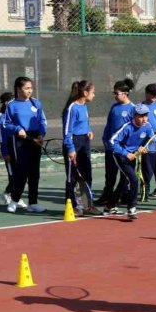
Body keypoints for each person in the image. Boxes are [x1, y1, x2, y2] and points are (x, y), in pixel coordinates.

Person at [3, 76, 48, 214]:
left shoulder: (36, 103)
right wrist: (18, 129)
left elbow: (42, 121)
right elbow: (6, 124)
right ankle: (14, 201)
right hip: (20, 141)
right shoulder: (11, 105)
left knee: (35, 173)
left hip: (35, 139)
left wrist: (41, 134)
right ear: (18, 89)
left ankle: (33, 203)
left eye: (31, 88)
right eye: (26, 88)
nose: (30, 91)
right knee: (22, 172)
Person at [106, 103, 154, 220]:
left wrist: (144, 147)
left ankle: (110, 206)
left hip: (133, 156)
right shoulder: (127, 127)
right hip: (120, 156)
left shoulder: (147, 126)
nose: (144, 119)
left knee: (123, 181)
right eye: (141, 116)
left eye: (146, 116)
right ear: (134, 116)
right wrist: (126, 153)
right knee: (133, 179)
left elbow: (153, 141)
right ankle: (132, 208)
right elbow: (112, 142)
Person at [96, 78, 134, 205]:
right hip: (111, 147)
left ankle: (124, 196)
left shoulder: (133, 109)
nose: (115, 96)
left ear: (125, 93)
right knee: (110, 174)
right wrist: (105, 139)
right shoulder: (114, 107)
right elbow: (109, 125)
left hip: (124, 149)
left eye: (116, 93)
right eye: (114, 93)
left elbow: (134, 129)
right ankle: (107, 195)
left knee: (125, 175)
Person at [62, 80, 96, 215]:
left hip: (84, 142)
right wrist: (70, 148)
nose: (94, 95)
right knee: (72, 177)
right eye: (92, 92)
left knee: (87, 174)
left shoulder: (84, 106)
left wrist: (88, 130)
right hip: (74, 142)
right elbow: (67, 131)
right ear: (85, 92)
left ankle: (88, 206)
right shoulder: (72, 108)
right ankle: (72, 206)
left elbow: (84, 122)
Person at [0, 91, 14, 205]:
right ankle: (8, 195)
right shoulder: (1, 117)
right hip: (8, 150)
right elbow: (1, 137)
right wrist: (5, 152)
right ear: (7, 102)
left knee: (21, 177)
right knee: (13, 177)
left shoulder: (14, 114)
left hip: (18, 149)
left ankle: (13, 197)